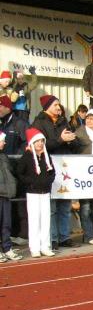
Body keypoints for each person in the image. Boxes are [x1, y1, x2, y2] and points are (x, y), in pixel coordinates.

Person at [32, 94, 78, 250]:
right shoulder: (39, 123)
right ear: (47, 107)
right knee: (51, 207)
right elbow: (40, 146)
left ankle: (64, 236)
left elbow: (74, 143)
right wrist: (60, 140)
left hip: (65, 167)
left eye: (59, 104)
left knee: (65, 205)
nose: (59, 107)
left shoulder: (63, 121)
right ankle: (52, 238)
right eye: (55, 105)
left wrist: (72, 140)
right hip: (49, 167)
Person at [17, 129, 56, 258]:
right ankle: (34, 247)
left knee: (46, 220)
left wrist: (48, 182)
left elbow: (52, 172)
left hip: (45, 192)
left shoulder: (46, 156)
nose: (40, 143)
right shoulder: (27, 156)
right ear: (32, 143)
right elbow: (20, 173)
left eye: (41, 141)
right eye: (37, 141)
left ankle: (45, 246)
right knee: (34, 220)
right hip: (33, 193)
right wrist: (31, 182)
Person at [73, 108, 93, 245]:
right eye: (88, 118)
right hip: (83, 172)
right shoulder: (79, 132)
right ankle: (89, 235)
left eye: (92, 118)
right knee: (85, 206)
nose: (89, 120)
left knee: (91, 206)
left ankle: (90, 233)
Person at [0, 94, 28, 246]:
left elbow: (26, 142)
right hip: (5, 170)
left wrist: (17, 159)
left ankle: (23, 234)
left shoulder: (19, 123)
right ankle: (11, 233)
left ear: (7, 107)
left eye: (0, 106)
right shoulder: (3, 124)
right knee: (9, 202)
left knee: (21, 202)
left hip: (17, 169)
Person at [0, 130, 22, 261]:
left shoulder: (3, 156)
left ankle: (7, 248)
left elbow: (10, 173)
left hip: (6, 194)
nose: (4, 143)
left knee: (6, 223)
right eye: (2, 141)